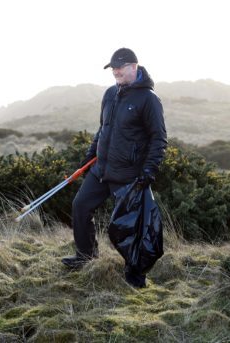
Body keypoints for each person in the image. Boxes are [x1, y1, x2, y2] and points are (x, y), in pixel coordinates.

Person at [61, 48, 167, 288]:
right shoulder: (110, 94)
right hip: (101, 170)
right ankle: (85, 256)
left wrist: (149, 171)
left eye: (120, 67)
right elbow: (103, 129)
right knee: (80, 206)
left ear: (134, 66)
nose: (116, 71)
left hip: (129, 175)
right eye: (113, 68)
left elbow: (158, 138)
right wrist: (90, 157)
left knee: (128, 228)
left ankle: (135, 274)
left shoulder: (149, 99)